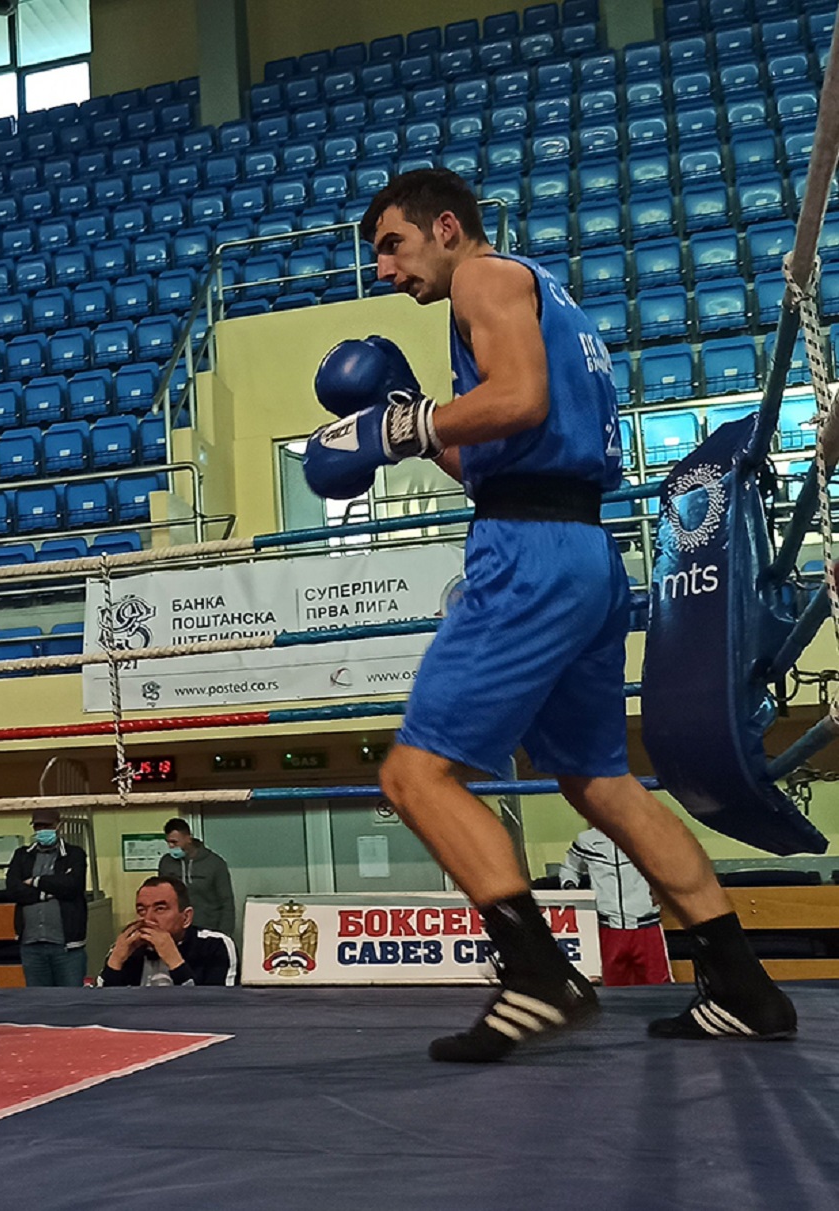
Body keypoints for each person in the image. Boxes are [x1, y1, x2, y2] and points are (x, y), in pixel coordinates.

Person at [303, 168, 795, 1061]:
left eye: (392, 244)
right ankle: (744, 985)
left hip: (530, 555)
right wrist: (418, 424)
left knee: (416, 777)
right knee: (597, 780)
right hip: (580, 550)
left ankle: (535, 972)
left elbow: (520, 401)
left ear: (446, 226)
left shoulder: (487, 280)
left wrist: (399, 430)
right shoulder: (545, 295)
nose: (382, 269)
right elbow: (506, 455)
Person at [562, 828, 672, 987]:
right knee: (612, 989)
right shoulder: (587, 840)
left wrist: (663, 887)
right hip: (608, 930)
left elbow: (672, 865)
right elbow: (569, 868)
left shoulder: (648, 837)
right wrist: (571, 889)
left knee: (659, 987)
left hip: (646, 927)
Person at [99, 876, 236, 988]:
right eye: (141, 910)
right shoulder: (128, 947)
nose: (148, 918)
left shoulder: (215, 945)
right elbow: (99, 1006)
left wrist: (174, 961)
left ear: (186, 918)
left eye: (160, 909)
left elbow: (217, 1008)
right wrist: (115, 962)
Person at [6, 807, 89, 986]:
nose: (42, 830)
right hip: (30, 945)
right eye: (38, 826)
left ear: (58, 826)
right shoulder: (22, 855)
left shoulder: (74, 854)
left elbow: (73, 886)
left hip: (67, 947)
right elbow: (13, 889)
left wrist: (36, 881)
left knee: (72, 1002)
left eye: (47, 825)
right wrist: (51, 892)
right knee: (39, 1003)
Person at [158, 817, 235, 942]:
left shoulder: (215, 863)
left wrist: (224, 936)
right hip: (175, 933)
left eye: (174, 842)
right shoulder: (166, 863)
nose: (171, 846)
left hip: (208, 931)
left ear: (188, 838)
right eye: (168, 842)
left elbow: (226, 902)